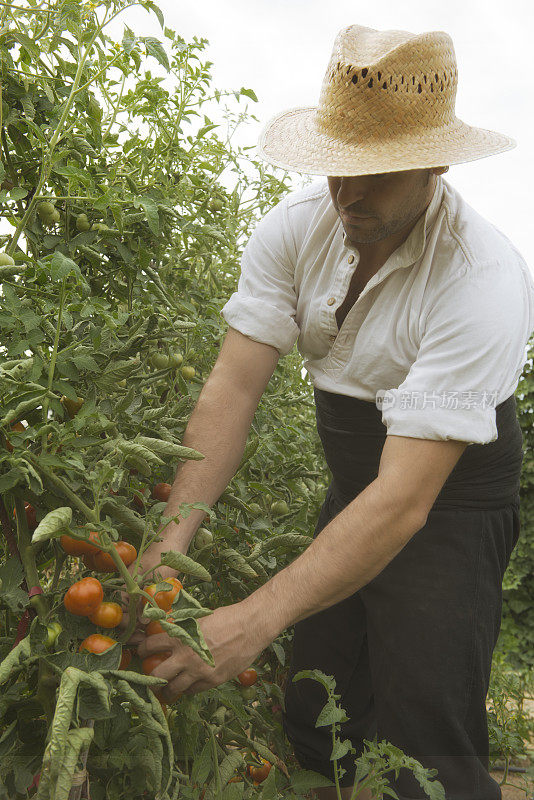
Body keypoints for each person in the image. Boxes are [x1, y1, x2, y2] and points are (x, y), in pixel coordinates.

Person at [126, 24, 534, 800]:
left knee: (427, 733)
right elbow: (232, 390)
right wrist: (167, 549)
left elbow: (405, 500)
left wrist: (249, 621)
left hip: (449, 497)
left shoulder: (480, 280)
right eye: (338, 170)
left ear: (436, 162)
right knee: (316, 695)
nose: (348, 194)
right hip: (359, 472)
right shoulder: (296, 228)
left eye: (375, 174)